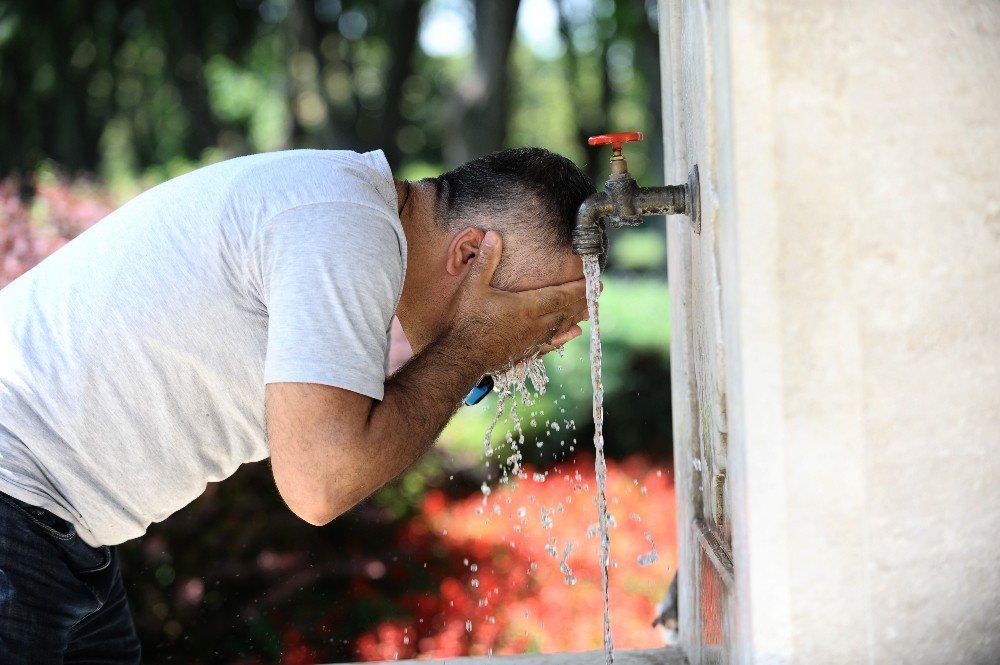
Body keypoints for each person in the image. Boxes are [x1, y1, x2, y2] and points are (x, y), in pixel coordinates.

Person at [0, 146, 595, 662]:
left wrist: (473, 345)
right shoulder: (346, 227)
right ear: (468, 256)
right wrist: (471, 346)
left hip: (59, 529)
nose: (527, 345)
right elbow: (320, 484)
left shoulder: (346, 209)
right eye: (535, 315)